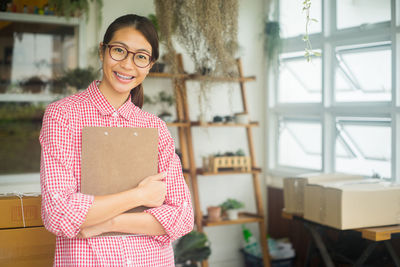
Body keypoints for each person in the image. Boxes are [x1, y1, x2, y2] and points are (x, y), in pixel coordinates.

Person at [40, 14, 194, 266]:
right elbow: (59, 214)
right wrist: (140, 195)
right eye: (119, 51)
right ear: (102, 51)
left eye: (141, 57)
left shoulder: (154, 127)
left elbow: (182, 217)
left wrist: (106, 222)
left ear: (150, 65)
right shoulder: (63, 116)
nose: (128, 65)